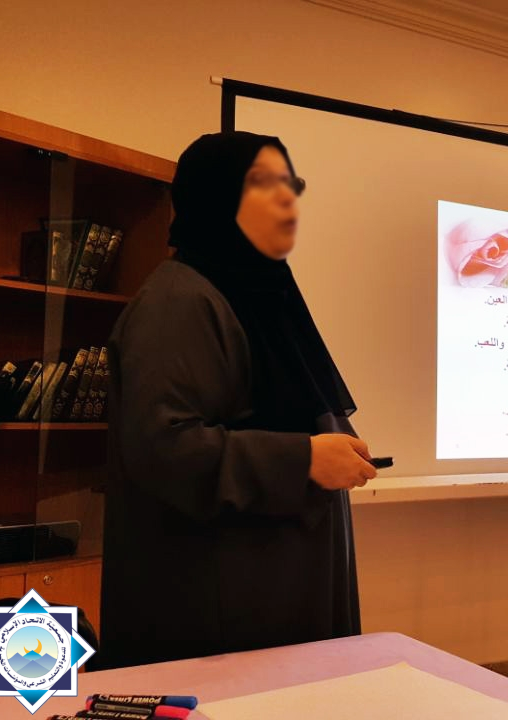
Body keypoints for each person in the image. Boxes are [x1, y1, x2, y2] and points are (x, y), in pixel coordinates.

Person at [97, 132, 376, 669]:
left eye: (290, 184)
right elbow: (163, 449)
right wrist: (305, 459)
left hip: (277, 590)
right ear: (217, 195)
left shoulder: (259, 293)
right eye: (264, 184)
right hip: (220, 608)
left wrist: (332, 447)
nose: (287, 200)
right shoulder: (179, 302)